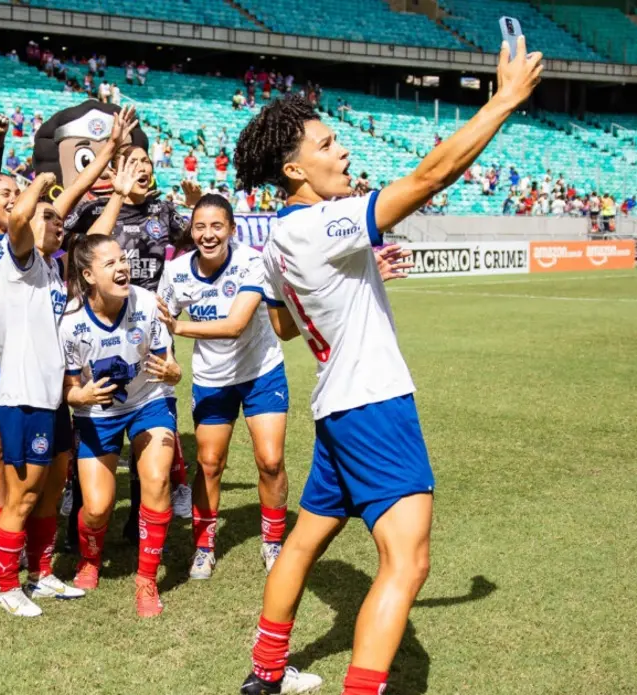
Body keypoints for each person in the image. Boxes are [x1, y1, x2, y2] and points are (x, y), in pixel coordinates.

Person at [229, 37, 541, 695]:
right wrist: (504, 99)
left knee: (301, 545)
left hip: (337, 407)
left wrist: (355, 283)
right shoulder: (320, 225)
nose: (342, 151)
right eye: (326, 144)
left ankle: (265, 672)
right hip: (372, 404)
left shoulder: (277, 237)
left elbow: (283, 323)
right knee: (406, 562)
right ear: (293, 169)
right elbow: (429, 178)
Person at [59, 162, 183, 618]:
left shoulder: (149, 304)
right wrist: (80, 397)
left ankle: (146, 580)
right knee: (97, 508)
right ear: (89, 276)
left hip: (149, 401)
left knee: (157, 481)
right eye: (110, 262)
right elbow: (69, 389)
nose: (123, 266)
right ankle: (89, 558)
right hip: (99, 413)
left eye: (123, 259)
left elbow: (170, 367)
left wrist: (174, 374)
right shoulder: (72, 323)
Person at [156, 194, 300, 582]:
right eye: (200, 227)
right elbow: (159, 323)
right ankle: (204, 548)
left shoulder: (251, 262)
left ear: (232, 229)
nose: (208, 235)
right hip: (212, 378)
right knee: (209, 464)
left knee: (270, 461)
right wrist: (167, 358)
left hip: (260, 371)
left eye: (217, 226)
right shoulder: (176, 272)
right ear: (191, 231)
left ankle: (273, 542)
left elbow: (235, 325)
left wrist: (179, 328)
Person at [0, 170, 77, 617]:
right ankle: (7, 585)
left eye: (59, 219)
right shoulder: (20, 262)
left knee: (49, 489)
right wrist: (40, 181)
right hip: (24, 397)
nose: (57, 223)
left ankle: (42, 574)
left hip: (52, 397)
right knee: (22, 496)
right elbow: (19, 218)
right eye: (49, 217)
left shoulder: (53, 269)